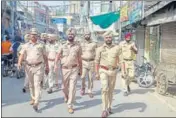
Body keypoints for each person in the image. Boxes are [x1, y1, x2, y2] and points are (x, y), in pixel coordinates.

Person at [18, 28, 49, 111]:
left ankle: (36, 102)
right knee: (31, 85)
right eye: (32, 34)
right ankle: (33, 98)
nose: (33, 36)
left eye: (35, 34)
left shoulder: (41, 45)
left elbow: (45, 57)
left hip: (39, 67)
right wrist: (19, 63)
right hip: (28, 67)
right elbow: (21, 54)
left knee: (37, 84)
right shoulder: (25, 45)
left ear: (37, 36)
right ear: (30, 35)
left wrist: (47, 66)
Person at [54, 27, 82, 114]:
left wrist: (80, 69)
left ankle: (70, 105)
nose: (70, 35)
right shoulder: (62, 45)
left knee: (73, 87)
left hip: (74, 68)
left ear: (74, 36)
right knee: (64, 87)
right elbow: (58, 55)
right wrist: (55, 65)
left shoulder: (78, 46)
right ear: (67, 35)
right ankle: (66, 95)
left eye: (72, 34)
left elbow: (79, 58)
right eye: (69, 34)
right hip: (64, 69)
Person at [95, 31, 121, 118]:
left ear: (112, 38)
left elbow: (120, 59)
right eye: (107, 38)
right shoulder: (99, 49)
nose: (108, 39)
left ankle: (109, 106)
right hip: (103, 70)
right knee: (105, 89)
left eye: (110, 37)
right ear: (104, 39)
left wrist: (121, 69)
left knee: (111, 90)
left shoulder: (117, 48)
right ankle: (104, 109)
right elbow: (96, 61)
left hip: (113, 71)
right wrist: (96, 73)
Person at [80, 29, 97, 98]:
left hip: (91, 62)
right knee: (83, 76)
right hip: (83, 62)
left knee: (90, 78)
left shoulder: (94, 44)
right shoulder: (81, 44)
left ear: (90, 35)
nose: (87, 36)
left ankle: (90, 90)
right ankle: (83, 87)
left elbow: (96, 54)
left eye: (88, 35)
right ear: (84, 36)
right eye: (85, 35)